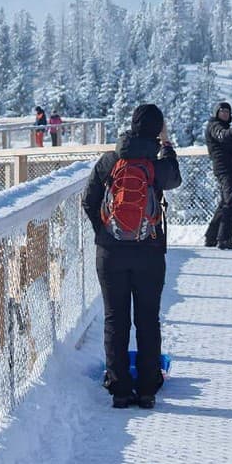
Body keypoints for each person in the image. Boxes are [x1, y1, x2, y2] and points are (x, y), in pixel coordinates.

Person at [82, 103, 182, 409]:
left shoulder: (110, 160)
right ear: (157, 130)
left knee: (116, 318)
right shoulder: (156, 164)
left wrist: (105, 233)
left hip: (110, 253)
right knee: (147, 319)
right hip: (149, 251)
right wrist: (167, 145)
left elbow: (88, 200)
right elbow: (175, 179)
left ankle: (120, 388)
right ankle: (148, 387)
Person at [204, 101, 232, 250]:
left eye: (227, 111)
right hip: (224, 169)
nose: (224, 114)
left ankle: (211, 236)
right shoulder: (214, 126)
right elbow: (222, 135)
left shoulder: (225, 127)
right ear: (216, 113)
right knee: (231, 202)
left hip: (230, 168)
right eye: (222, 111)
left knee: (225, 202)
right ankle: (224, 239)